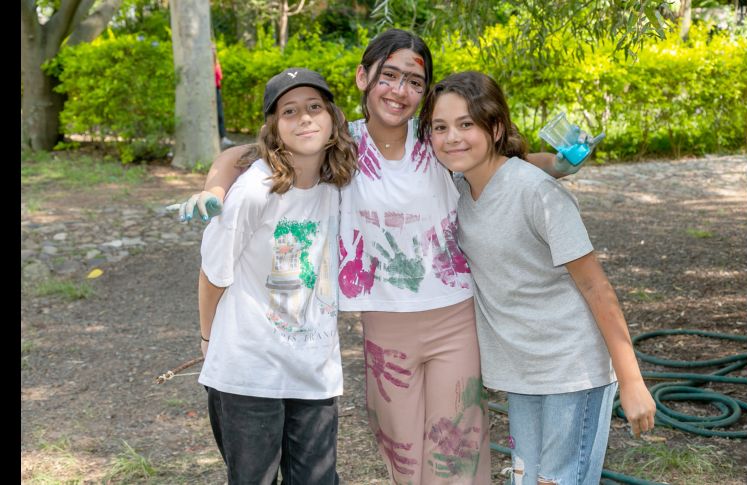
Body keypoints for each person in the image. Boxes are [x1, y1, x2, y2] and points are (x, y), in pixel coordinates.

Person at [177, 30, 577, 484]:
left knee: (455, 453)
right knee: (403, 457)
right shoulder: (337, 144)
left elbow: (498, 160)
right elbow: (239, 156)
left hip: (454, 318)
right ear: (363, 76)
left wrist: (559, 166)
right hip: (384, 325)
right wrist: (212, 189)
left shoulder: (437, 142)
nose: (400, 90)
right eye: (389, 75)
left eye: (414, 81)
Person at [418, 71, 657, 485]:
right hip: (520, 371)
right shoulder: (458, 185)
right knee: (526, 479)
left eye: (466, 124)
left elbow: (596, 288)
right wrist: (558, 163)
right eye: (441, 127)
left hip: (571, 368)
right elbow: (516, 162)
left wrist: (633, 382)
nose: (452, 137)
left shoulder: (538, 195)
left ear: (494, 128)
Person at [197, 67, 357, 484]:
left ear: (333, 118)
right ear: (273, 126)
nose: (304, 118)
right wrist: (208, 339)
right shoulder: (254, 191)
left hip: (314, 369)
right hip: (250, 373)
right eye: (289, 111)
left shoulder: (339, 182)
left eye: (314, 107)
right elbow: (214, 273)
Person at [214, 46, 236, 149]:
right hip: (213, 90)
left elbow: (220, 76)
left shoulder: (215, 64)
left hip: (216, 90)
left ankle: (223, 138)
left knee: (220, 115)